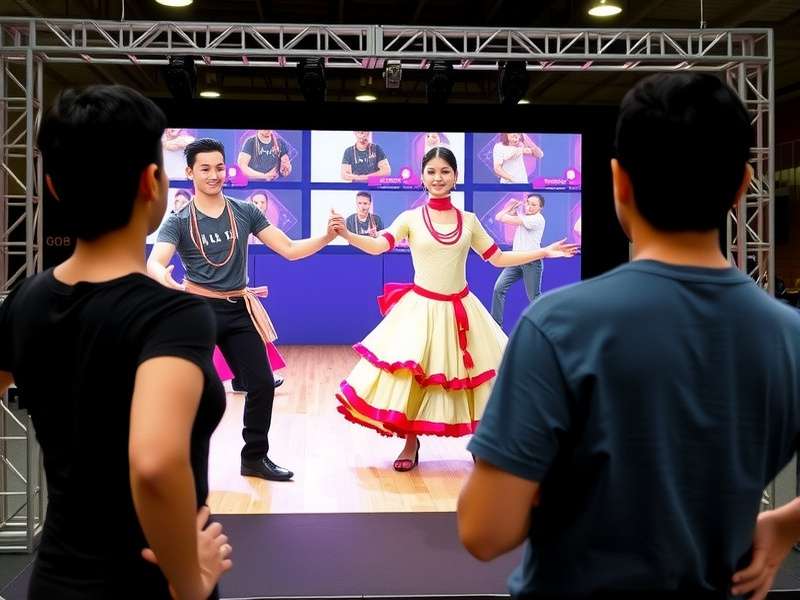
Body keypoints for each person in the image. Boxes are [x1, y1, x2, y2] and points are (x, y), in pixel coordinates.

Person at [457, 72, 800, 599]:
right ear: (742, 185)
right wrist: (781, 527)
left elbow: (484, 531)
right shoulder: (790, 335)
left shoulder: (557, 325)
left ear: (619, 182)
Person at [0, 85, 231, 599]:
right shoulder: (173, 315)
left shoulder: (25, 300)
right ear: (153, 182)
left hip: (55, 579)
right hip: (143, 587)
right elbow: (153, 463)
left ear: (55, 187)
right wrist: (190, 583)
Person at [332, 147, 577, 471]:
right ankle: (410, 442)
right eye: (431, 171)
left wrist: (543, 252)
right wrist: (347, 233)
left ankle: (480, 443)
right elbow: (379, 246)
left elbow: (497, 258)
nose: (438, 177)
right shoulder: (410, 219)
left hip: (461, 308)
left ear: (455, 176)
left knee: (471, 378)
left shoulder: (469, 221)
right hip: (420, 310)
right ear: (422, 176)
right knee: (414, 378)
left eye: (445, 171)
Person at [148, 138, 342, 482]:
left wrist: (327, 236)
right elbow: (156, 262)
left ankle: (254, 457)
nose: (214, 175)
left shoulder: (245, 211)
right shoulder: (177, 220)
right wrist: (167, 280)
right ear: (189, 172)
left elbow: (290, 249)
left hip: (239, 309)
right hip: (199, 311)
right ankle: (180, 463)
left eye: (219, 167)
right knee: (197, 393)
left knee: (262, 384)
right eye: (205, 169)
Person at [490, 193, 547, 327]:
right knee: (498, 288)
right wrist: (513, 209)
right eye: (528, 203)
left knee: (534, 298)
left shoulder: (538, 219)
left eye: (534, 205)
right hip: (515, 260)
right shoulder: (525, 218)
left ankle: (548, 325)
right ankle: (496, 326)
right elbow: (512, 218)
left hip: (531, 262)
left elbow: (500, 217)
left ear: (540, 208)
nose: (530, 207)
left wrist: (509, 207)